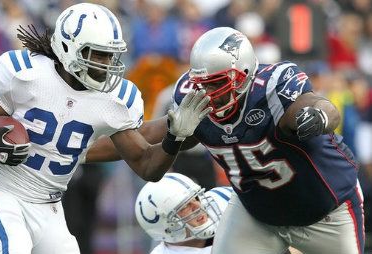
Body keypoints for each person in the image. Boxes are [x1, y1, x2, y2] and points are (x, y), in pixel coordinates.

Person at [0, 3, 210, 254]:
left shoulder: (114, 100)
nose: (107, 63)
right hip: (1, 195)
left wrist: (177, 136)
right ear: (68, 47)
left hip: (49, 208)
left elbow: (146, 165)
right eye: (98, 53)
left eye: (111, 54)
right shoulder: (26, 75)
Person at [86, 27, 364, 254]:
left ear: (244, 74)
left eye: (217, 83)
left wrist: (317, 116)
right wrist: (78, 151)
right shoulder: (197, 104)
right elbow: (143, 137)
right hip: (256, 214)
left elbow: (319, 105)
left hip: (326, 211)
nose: (208, 92)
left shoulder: (271, 90)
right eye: (202, 84)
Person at [135, 172, 232, 254]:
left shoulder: (223, 201)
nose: (198, 206)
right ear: (168, 228)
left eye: (196, 198)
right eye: (184, 207)